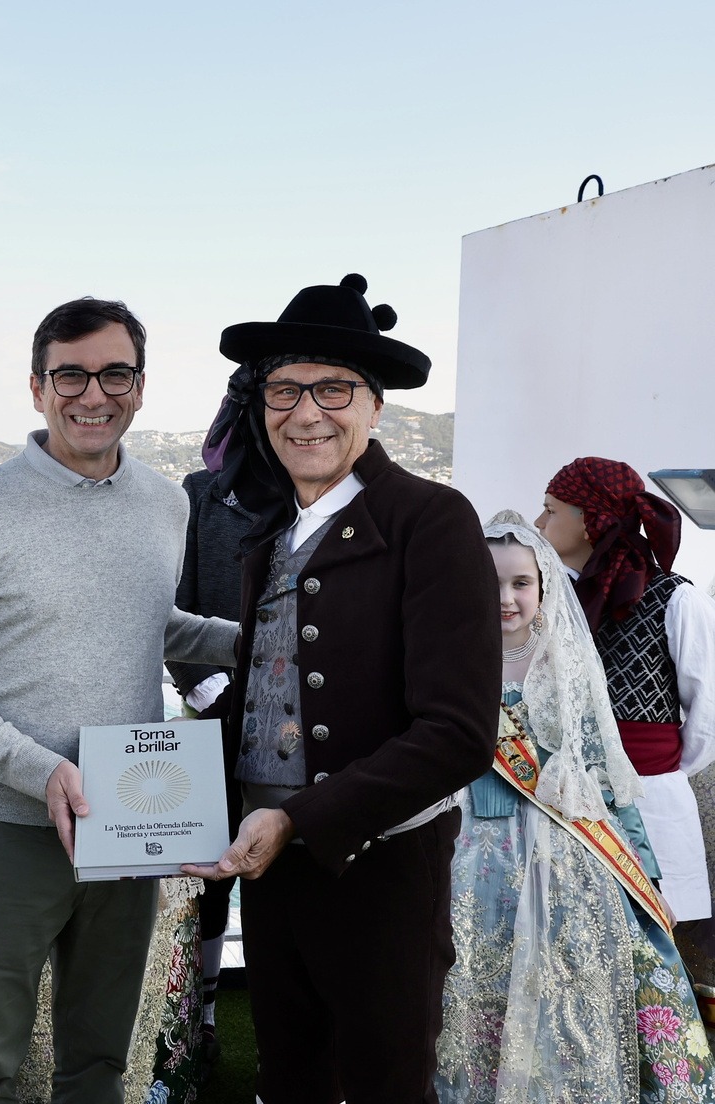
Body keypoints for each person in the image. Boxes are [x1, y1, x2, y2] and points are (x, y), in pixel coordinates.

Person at [0, 297, 240, 1103]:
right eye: (71, 375)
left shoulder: (167, 502)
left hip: (129, 829)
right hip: (3, 833)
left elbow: (146, 626)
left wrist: (260, 640)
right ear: (36, 386)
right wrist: (44, 771)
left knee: (99, 1066)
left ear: (141, 385)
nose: (94, 395)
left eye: (114, 373)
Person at [181, 275, 499, 1103]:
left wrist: (300, 818)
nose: (307, 412)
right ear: (260, 408)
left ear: (375, 407)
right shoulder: (273, 535)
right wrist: (177, 808)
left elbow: (459, 733)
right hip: (270, 868)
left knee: (386, 1081)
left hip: (382, 871)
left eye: (333, 389)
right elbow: (258, 700)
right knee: (293, 1079)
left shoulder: (431, 521)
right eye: (284, 390)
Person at [436, 510, 714, 1101]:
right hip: (465, 853)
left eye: (520, 584)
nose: (506, 599)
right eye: (489, 584)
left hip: (570, 856)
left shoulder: (568, 668)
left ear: (544, 587)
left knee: (579, 989)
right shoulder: (442, 659)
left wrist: (645, 865)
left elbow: (607, 777)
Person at [538, 459, 715, 958]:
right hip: (561, 800)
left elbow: (709, 712)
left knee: (654, 949)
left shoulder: (675, 600)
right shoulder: (546, 600)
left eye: (550, 510)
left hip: (652, 800)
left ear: (591, 519)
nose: (538, 523)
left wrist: (654, 771)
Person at [163, 466, 259, 1070]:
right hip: (213, 718)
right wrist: (208, 689)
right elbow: (171, 604)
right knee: (209, 871)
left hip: (307, 726)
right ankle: (202, 1018)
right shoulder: (199, 494)